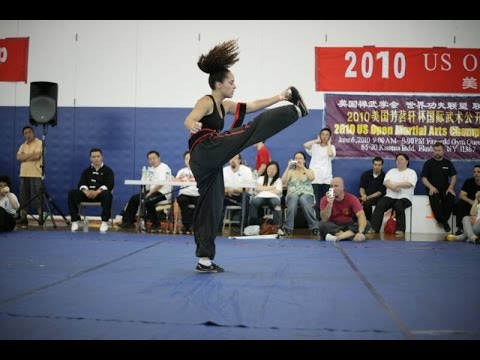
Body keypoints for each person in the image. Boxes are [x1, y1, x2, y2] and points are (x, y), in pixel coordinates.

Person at [185, 39, 308, 273]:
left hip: (207, 164)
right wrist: (191, 125)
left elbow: (252, 105)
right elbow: (190, 118)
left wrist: (279, 96)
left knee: (211, 207)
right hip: (206, 149)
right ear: (219, 84)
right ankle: (296, 111)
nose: (234, 85)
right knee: (249, 131)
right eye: (231, 82)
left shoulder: (226, 104)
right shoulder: (207, 101)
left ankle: (204, 260)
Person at [120, 151, 172, 232]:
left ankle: (156, 224)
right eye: (150, 159)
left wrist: (149, 193)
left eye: (154, 158)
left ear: (159, 158)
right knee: (134, 199)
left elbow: (160, 184)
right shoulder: (150, 169)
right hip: (152, 192)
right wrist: (144, 176)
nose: (152, 160)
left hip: (163, 193)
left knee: (148, 201)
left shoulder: (164, 167)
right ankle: (127, 222)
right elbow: (147, 185)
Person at [369, 153, 418, 236]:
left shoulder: (411, 172)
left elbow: (409, 184)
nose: (399, 161)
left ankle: (400, 229)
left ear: (407, 161)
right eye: (397, 159)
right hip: (391, 196)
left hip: (405, 197)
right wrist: (394, 188)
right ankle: (374, 228)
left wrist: (396, 185)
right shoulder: (391, 171)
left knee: (398, 205)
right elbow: (386, 182)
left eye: (401, 159)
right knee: (380, 204)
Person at [68, 148, 114, 233]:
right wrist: (86, 192)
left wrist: (97, 192)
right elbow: (81, 184)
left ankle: (104, 222)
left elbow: (110, 185)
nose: (96, 158)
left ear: (101, 157)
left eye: (98, 156)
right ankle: (75, 221)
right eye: (94, 157)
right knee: (72, 193)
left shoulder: (108, 171)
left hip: (100, 195)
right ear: (90, 158)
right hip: (87, 195)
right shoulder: (86, 171)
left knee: (108, 194)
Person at [319, 177, 369, 242]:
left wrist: (360, 232)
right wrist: (330, 204)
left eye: (336, 186)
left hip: (348, 225)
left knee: (366, 222)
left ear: (343, 187)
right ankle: (349, 236)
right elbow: (324, 219)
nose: (333, 188)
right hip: (333, 225)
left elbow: (361, 215)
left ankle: (338, 237)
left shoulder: (352, 198)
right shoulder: (325, 199)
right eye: (331, 186)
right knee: (322, 224)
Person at [421, 142, 457, 233]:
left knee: (451, 197)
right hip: (433, 189)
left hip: (445, 189)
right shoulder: (428, 163)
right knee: (434, 199)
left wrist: (451, 187)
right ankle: (444, 222)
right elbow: (424, 178)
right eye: (435, 150)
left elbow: (453, 176)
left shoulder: (448, 163)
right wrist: (430, 187)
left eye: (439, 150)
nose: (437, 152)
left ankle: (443, 220)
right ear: (433, 151)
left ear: (443, 151)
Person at [281, 152, 318, 238]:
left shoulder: (309, 170)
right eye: (296, 158)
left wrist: (303, 167)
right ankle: (288, 229)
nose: (298, 160)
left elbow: (311, 178)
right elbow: (283, 181)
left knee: (303, 199)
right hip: (293, 193)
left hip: (307, 194)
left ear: (304, 160)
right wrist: (288, 166)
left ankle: (314, 227)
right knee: (293, 199)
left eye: (300, 158)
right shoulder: (290, 171)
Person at [304, 127, 336, 216]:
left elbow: (330, 154)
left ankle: (325, 222)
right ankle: (316, 223)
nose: (324, 137)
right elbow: (305, 145)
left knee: (327, 202)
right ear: (320, 135)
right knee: (316, 203)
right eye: (323, 134)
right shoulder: (314, 146)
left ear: (330, 137)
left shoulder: (332, 147)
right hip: (314, 179)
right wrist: (316, 140)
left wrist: (329, 143)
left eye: (327, 135)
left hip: (327, 180)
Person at [16, 126, 43, 225]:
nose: (27, 135)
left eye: (29, 132)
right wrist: (30, 155)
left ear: (33, 133)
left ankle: (40, 216)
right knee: (23, 195)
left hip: (36, 174)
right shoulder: (23, 145)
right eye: (25, 133)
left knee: (37, 195)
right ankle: (24, 217)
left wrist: (25, 157)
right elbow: (18, 157)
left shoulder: (39, 143)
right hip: (24, 174)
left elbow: (37, 156)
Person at [248, 161, 283, 227]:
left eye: (274, 169)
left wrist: (264, 188)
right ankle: (253, 225)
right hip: (260, 197)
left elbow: (278, 191)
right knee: (254, 202)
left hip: (274, 197)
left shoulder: (278, 180)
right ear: (267, 169)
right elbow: (257, 188)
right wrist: (271, 187)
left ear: (277, 171)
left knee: (277, 205)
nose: (271, 170)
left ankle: (277, 226)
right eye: (270, 168)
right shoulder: (261, 178)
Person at [175, 151, 199, 234]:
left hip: (197, 194)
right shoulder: (181, 171)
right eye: (186, 159)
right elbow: (175, 181)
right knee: (182, 200)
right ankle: (187, 225)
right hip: (184, 194)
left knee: (202, 202)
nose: (188, 160)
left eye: (190, 158)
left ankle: (196, 225)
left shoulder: (200, 170)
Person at [454, 164, 480, 234]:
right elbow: (461, 195)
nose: (476, 174)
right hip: (470, 204)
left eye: (478, 172)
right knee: (460, 204)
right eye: (474, 172)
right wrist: (471, 202)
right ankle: (460, 228)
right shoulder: (468, 182)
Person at [359, 157, 386, 221]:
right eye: (375, 164)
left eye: (379, 165)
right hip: (365, 196)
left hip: (378, 197)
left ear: (382, 166)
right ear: (372, 165)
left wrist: (367, 197)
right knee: (354, 202)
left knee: (367, 204)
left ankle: (369, 223)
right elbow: (362, 187)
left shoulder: (385, 176)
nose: (377, 167)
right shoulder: (366, 174)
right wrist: (363, 195)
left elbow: (380, 192)